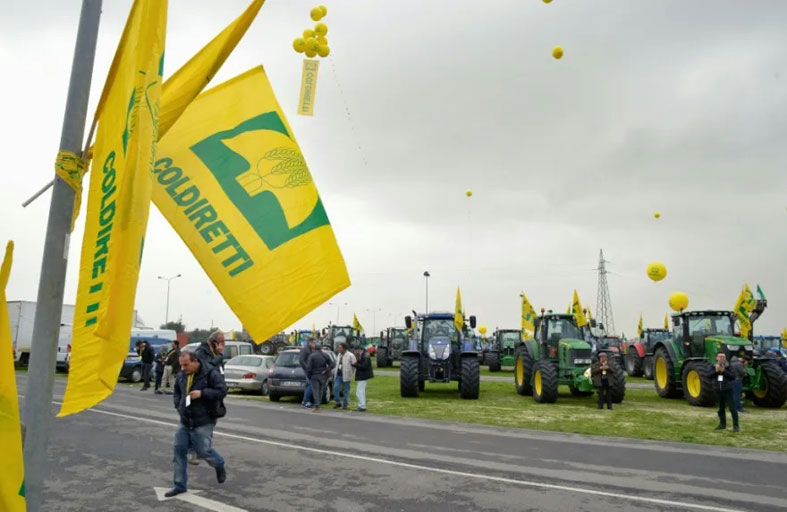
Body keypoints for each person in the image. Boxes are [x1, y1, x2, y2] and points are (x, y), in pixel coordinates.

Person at [165, 351, 228, 498]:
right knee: (179, 451)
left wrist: (202, 393)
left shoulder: (210, 373)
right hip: (185, 420)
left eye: (186, 365)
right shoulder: (182, 374)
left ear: (195, 361)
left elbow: (222, 390)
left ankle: (219, 464)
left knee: (204, 451)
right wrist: (179, 406)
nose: (183, 368)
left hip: (203, 421)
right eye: (181, 365)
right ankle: (179, 485)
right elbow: (177, 392)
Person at [713, 352, 739, 433]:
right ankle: (722, 424)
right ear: (717, 358)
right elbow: (709, 375)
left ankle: (736, 426)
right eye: (720, 356)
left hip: (728, 390)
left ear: (725, 358)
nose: (721, 358)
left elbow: (733, 376)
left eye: (723, 356)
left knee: (732, 408)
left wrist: (724, 371)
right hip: (718, 390)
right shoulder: (713, 366)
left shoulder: (729, 366)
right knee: (721, 408)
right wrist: (716, 372)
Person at [305, 343, 333, 413]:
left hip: (314, 376)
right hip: (323, 375)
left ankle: (316, 406)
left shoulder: (312, 356)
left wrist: (309, 376)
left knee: (315, 391)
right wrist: (326, 370)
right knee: (321, 391)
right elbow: (332, 364)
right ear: (321, 348)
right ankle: (318, 405)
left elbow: (309, 368)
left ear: (315, 349)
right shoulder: (325, 355)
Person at [333, 343, 357, 409]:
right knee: (335, 388)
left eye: (340, 348)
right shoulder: (339, 355)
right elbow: (337, 364)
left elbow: (354, 365)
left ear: (344, 348)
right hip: (338, 375)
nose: (339, 349)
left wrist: (351, 373)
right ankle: (338, 402)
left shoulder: (350, 355)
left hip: (346, 375)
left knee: (346, 390)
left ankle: (345, 404)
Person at [352, 346, 373, 412]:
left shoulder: (365, 356)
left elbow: (364, 366)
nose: (354, 352)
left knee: (359, 392)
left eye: (355, 350)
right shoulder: (363, 355)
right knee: (361, 391)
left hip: (363, 376)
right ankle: (362, 405)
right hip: (362, 376)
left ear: (359, 350)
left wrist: (355, 364)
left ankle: (362, 406)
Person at [299, 337, 316, 408]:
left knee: (308, 385)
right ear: (310, 342)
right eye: (314, 343)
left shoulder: (310, 349)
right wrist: (307, 368)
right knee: (310, 384)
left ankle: (305, 401)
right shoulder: (305, 349)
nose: (314, 344)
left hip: (310, 370)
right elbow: (301, 360)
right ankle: (306, 401)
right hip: (307, 370)